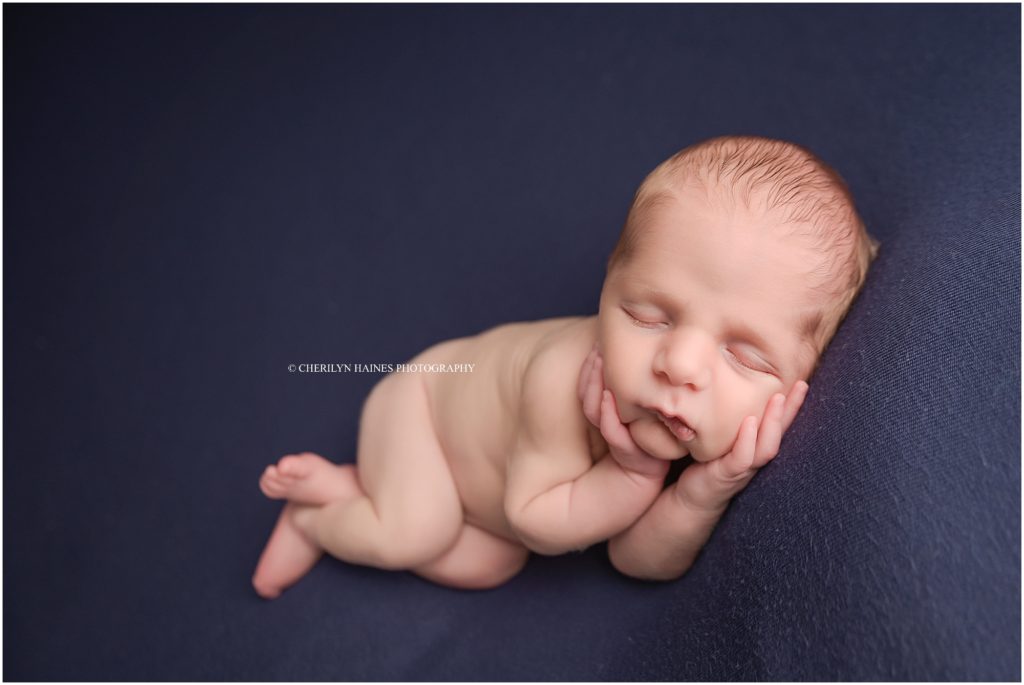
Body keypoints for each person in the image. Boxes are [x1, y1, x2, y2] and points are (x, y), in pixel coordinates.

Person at [252, 135, 879, 598]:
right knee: (416, 531)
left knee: (489, 564)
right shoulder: (564, 379)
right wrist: (635, 477)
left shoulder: (697, 423)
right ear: (609, 284)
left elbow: (636, 561)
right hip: (424, 408)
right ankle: (320, 519)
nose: (680, 362)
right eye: (648, 316)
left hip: (494, 495)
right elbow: (535, 520)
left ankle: (351, 487)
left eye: (743, 355)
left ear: (803, 379)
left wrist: (702, 492)